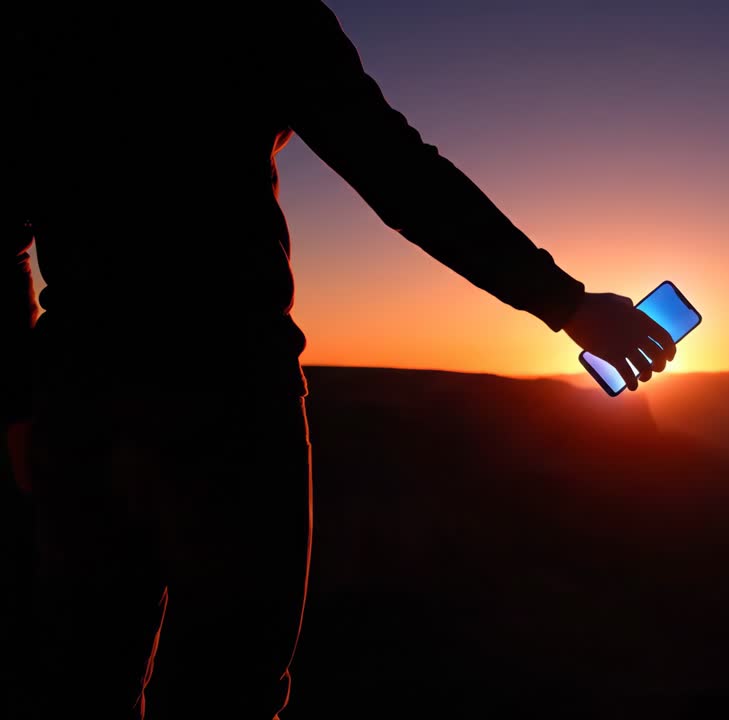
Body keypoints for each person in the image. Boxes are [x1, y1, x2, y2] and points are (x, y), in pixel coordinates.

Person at [3, 2, 675, 718]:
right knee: (228, 689)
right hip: (229, 394)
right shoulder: (265, 17)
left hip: (80, 395)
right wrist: (565, 303)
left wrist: (18, 401)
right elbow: (397, 173)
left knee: (82, 679)